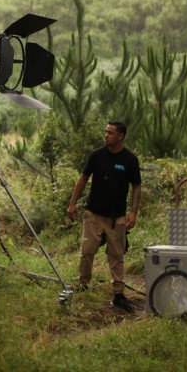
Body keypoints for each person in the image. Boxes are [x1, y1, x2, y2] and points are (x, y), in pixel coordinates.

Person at [67, 120, 142, 312]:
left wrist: (133, 213)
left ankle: (118, 294)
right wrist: (73, 203)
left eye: (110, 133)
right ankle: (83, 285)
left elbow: (136, 187)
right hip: (94, 214)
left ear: (120, 136)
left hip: (117, 218)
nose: (106, 135)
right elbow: (83, 178)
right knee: (87, 251)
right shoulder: (96, 156)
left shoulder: (130, 160)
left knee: (116, 256)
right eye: (105, 132)